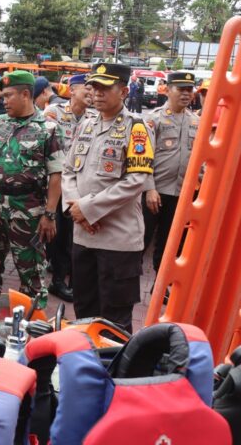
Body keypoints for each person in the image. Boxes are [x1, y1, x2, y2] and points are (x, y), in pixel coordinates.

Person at [62, 63, 155, 332]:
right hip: (83, 235)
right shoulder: (87, 125)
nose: (97, 93)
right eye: (94, 87)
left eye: (106, 87)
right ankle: (84, 368)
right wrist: (75, 210)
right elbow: (69, 170)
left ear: (124, 91)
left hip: (118, 241)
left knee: (115, 320)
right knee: (84, 310)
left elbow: (136, 180)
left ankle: (112, 372)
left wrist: (88, 209)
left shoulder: (136, 128)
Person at [0, 70, 63, 300]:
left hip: (28, 208)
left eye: (8, 96)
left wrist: (49, 214)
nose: (4, 101)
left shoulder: (48, 128)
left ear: (26, 94)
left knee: (32, 272)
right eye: (3, 96)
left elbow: (56, 174)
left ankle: (31, 327)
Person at [42, 74, 95, 302]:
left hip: (82, 185)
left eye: (95, 89)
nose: (92, 92)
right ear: (72, 90)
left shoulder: (94, 117)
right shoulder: (54, 113)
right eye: (88, 88)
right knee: (59, 234)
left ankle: (71, 280)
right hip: (58, 183)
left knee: (74, 235)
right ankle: (57, 279)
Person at [142, 71, 200, 274]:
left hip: (180, 193)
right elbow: (143, 158)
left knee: (169, 242)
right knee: (142, 239)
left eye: (189, 90)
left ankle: (160, 283)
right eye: (180, 89)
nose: (186, 94)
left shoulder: (196, 121)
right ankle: (127, 285)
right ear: (167, 90)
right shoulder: (153, 119)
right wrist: (149, 188)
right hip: (154, 192)